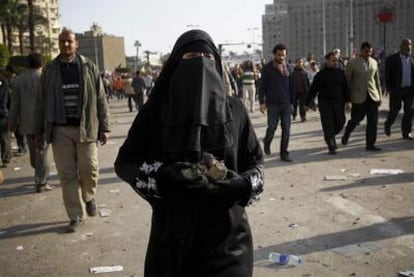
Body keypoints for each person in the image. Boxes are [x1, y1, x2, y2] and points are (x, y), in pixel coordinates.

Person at [114, 29, 264, 277]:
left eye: (207, 57)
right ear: (175, 65)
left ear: (215, 63)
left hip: (229, 243)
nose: (200, 65)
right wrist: (162, 175)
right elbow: (125, 162)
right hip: (171, 241)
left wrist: (244, 185)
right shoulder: (155, 113)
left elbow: (256, 162)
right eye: (190, 57)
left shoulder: (235, 110)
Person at [34, 28, 111, 233]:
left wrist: (105, 126)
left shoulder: (88, 66)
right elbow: (41, 102)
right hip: (60, 130)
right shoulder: (50, 70)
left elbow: (101, 98)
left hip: (85, 127)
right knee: (67, 175)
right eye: (62, 41)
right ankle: (76, 216)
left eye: (69, 41)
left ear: (76, 44)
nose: (65, 45)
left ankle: (89, 196)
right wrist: (38, 132)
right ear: (58, 44)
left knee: (89, 169)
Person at [9, 53, 52, 193]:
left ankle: (39, 173)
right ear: (41, 64)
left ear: (28, 64)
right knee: (43, 153)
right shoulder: (47, 78)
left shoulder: (17, 81)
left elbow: (14, 105)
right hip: (45, 122)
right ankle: (41, 182)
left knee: (34, 152)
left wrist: (12, 124)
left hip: (26, 122)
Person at [306, 52, 351, 154]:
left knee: (340, 122)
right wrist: (308, 102)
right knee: (328, 124)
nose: (335, 63)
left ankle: (330, 135)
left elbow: (346, 88)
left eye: (336, 61)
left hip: (338, 103)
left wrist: (348, 101)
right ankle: (331, 144)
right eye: (333, 61)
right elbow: (313, 90)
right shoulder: (320, 75)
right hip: (325, 104)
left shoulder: (340, 73)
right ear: (327, 61)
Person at [341, 42, 382, 151]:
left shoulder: (374, 62)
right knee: (356, 119)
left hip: (372, 96)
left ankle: (370, 144)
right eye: (366, 51)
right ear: (361, 51)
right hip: (358, 97)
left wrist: (379, 96)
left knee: (373, 121)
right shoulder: (352, 63)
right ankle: (347, 133)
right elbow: (347, 82)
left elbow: (377, 80)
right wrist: (347, 99)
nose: (368, 53)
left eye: (370, 51)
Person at [259, 43, 294, 162]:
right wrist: (262, 102)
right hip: (273, 103)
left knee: (286, 129)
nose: (281, 58)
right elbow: (262, 86)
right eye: (279, 55)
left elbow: (291, 88)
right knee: (272, 127)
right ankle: (267, 141)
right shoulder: (268, 68)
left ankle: (284, 153)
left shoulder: (289, 68)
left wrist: (292, 103)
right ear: (275, 54)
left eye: (283, 55)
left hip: (286, 103)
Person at [384, 38, 414, 140]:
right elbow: (387, 76)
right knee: (394, 111)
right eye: (406, 45)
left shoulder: (412, 59)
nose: (409, 47)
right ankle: (388, 124)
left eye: (410, 45)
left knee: (409, 112)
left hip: (409, 90)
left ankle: (406, 132)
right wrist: (390, 89)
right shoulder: (392, 59)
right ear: (401, 47)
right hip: (397, 90)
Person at [0, 76, 11, 167]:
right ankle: (6, 158)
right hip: (4, 116)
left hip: (3, 116)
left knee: (4, 138)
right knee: (5, 139)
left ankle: (6, 158)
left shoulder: (5, 89)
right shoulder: (6, 89)